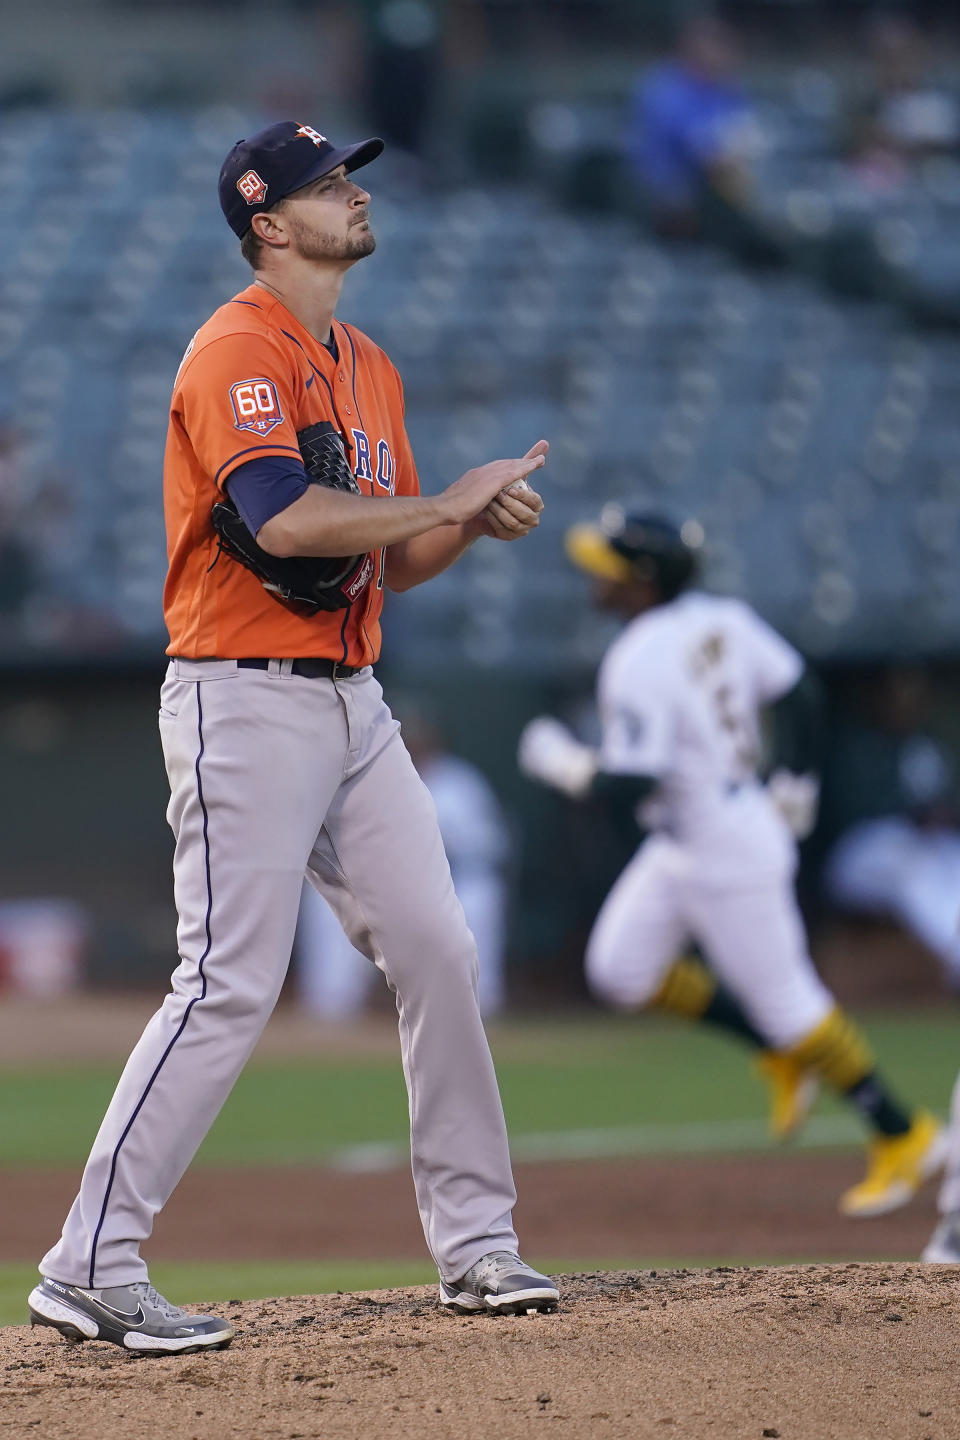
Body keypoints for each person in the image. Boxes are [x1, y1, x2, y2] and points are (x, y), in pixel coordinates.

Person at [28, 119, 559, 1355]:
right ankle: (89, 1262)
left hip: (350, 699)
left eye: (351, 178)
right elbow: (280, 520)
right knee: (227, 982)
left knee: (436, 944)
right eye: (327, 185)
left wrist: (467, 525)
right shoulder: (234, 349)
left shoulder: (369, 362)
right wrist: (441, 497)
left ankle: (478, 1245)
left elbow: (388, 555)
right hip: (241, 693)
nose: (351, 196)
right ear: (269, 222)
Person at [518, 507, 944, 1218]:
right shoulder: (723, 618)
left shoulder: (637, 659)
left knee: (793, 1005)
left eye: (610, 565)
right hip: (697, 830)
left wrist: (565, 766)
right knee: (620, 970)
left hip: (723, 841)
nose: (596, 574)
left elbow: (638, 779)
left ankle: (905, 1135)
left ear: (643, 579)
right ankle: (775, 1051)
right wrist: (797, 778)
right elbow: (800, 689)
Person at [297, 703, 511, 1019]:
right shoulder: (360, 776)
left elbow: (490, 847)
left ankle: (478, 1005)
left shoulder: (458, 782)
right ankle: (332, 1010)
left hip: (449, 884)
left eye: (419, 737)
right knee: (323, 898)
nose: (413, 744)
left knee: (480, 896)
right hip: (375, 886)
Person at [821, 667, 960, 990]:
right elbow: (847, 810)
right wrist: (912, 816)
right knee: (913, 872)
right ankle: (956, 964)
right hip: (862, 850)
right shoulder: (855, 746)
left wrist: (939, 816)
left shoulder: (926, 747)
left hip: (922, 844)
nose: (905, 702)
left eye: (912, 694)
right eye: (897, 693)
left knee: (945, 862)